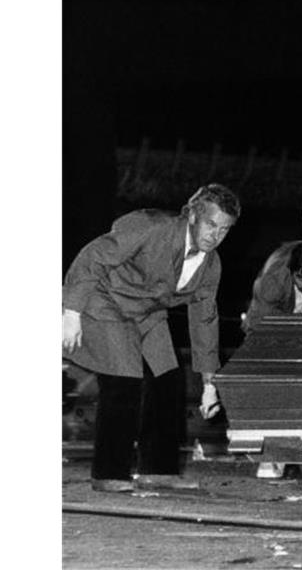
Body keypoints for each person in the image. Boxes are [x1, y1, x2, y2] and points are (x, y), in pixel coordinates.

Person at [61, 183, 241, 492]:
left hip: (147, 314)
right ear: (194, 216)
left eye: (224, 230)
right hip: (106, 301)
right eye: (211, 224)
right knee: (124, 379)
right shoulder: (151, 227)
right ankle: (109, 474)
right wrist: (71, 312)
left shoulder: (211, 265)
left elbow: (204, 322)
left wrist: (211, 383)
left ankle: (158, 469)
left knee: (168, 378)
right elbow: (93, 256)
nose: (216, 235)